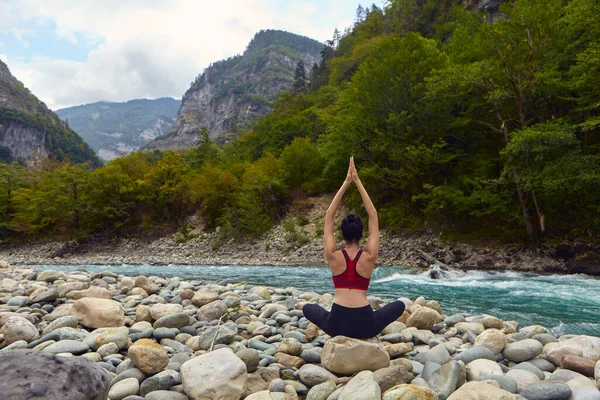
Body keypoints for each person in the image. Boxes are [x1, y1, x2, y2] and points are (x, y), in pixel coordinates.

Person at [302, 157, 406, 339]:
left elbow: (329, 215)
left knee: (308, 308)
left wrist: (346, 182)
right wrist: (357, 182)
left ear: (341, 234)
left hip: (337, 324)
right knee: (399, 306)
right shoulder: (369, 256)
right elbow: (373, 214)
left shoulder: (333, 255)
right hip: (365, 324)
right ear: (363, 233)